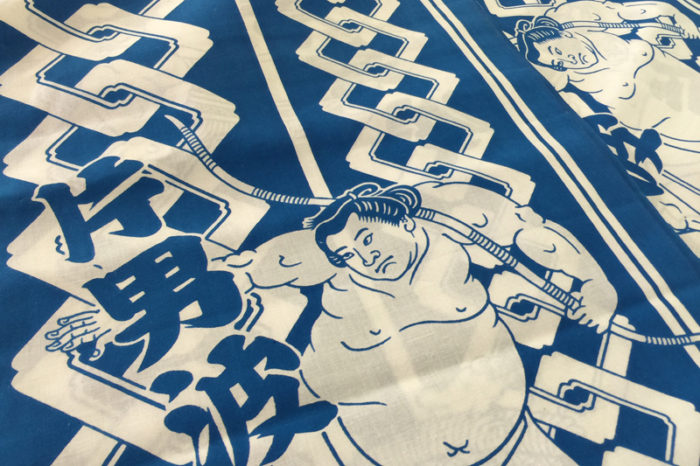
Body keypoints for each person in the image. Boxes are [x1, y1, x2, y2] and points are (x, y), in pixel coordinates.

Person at [214, 181, 617, 464]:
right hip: (362, 441)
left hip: (506, 433)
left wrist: (595, 286)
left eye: (369, 239)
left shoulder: (446, 220)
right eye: (350, 255)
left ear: (404, 221)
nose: (365, 257)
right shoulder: (331, 254)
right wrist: (242, 272)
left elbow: (529, 231)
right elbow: (264, 265)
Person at [514, 1, 700, 145]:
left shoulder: (581, 19)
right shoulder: (564, 77)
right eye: (559, 63)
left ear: (566, 34)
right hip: (667, 133)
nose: (568, 60)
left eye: (558, 51)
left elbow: (653, 9)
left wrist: (681, 18)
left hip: (684, 84)